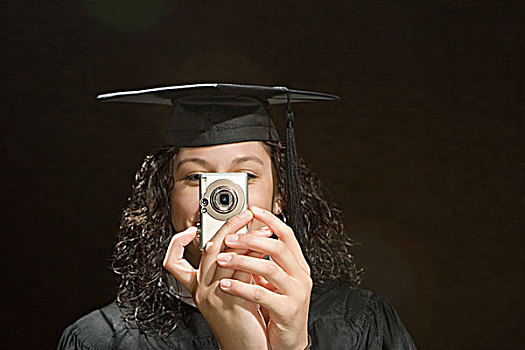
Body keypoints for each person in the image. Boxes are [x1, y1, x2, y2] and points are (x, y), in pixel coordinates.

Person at [58, 84, 417, 349]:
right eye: (196, 178)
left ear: (281, 197)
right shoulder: (102, 340)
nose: (221, 197)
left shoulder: (360, 324)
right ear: (165, 198)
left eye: (244, 177)